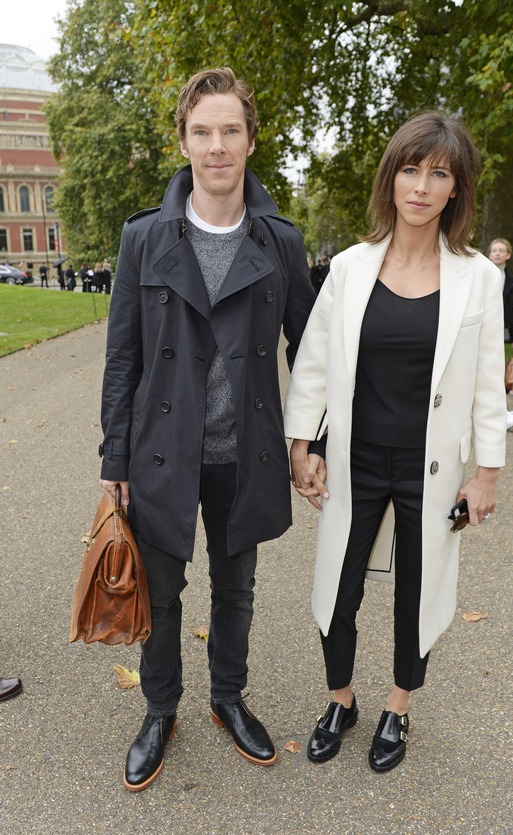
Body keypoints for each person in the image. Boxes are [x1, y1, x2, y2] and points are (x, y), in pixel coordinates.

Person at [98, 67, 315, 791]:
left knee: (237, 588)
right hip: (163, 452)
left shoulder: (281, 241)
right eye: (202, 131)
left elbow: (307, 351)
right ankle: (161, 708)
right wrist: (114, 458)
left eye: (230, 130)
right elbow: (123, 356)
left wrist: (307, 439)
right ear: (184, 140)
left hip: (242, 452)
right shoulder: (143, 238)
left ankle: (228, 696)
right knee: (159, 594)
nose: (216, 146)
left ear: (251, 139)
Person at [284, 111, 506, 773]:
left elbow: (488, 387)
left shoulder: (480, 279)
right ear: (392, 177)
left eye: (438, 173)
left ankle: (398, 706)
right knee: (337, 591)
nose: (421, 185)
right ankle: (341, 700)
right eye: (411, 168)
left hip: (430, 470)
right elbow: (315, 365)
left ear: (455, 189)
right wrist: (304, 445)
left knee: (420, 591)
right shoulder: (350, 268)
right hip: (356, 461)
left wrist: (486, 473)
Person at [487, 238, 513, 429]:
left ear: (508, 255)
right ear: (489, 253)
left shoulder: (510, 280)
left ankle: (501, 413)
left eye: (502, 250)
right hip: (478, 327)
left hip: (497, 330)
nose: (498, 253)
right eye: (494, 250)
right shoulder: (481, 272)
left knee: (494, 371)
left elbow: (509, 311)